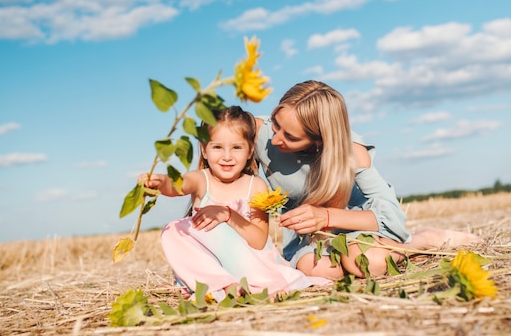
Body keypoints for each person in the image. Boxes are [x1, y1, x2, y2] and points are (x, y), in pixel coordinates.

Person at [254, 80, 483, 280]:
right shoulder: (255, 132)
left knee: (365, 264)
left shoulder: (352, 152)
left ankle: (424, 240)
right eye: (276, 123)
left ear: (319, 141)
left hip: (355, 224)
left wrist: (325, 216)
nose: (275, 140)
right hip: (308, 238)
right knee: (323, 271)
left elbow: (392, 216)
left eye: (291, 137)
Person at [139, 106, 330, 301]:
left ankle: (246, 286)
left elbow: (258, 241)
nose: (227, 156)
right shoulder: (201, 180)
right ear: (204, 150)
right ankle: (224, 284)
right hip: (213, 266)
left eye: (237, 147)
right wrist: (161, 182)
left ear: (249, 152)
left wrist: (228, 215)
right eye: (217, 147)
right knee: (173, 230)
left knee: (217, 229)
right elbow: (178, 185)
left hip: (248, 263)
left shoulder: (255, 186)